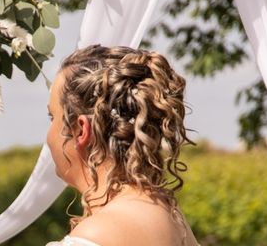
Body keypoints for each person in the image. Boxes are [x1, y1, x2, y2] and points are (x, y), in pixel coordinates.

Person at [46, 45, 199, 246]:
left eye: (52, 117)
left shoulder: (94, 234)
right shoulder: (171, 218)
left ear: (81, 129)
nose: (49, 134)